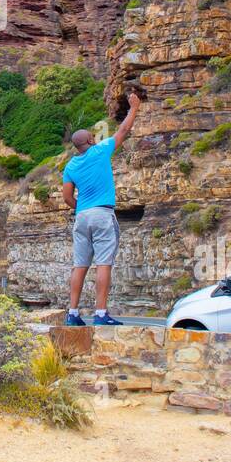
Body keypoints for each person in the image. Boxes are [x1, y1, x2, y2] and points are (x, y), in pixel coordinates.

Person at [61, 92, 140, 326]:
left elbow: (67, 197)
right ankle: (101, 314)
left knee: (80, 265)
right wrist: (133, 108)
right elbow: (123, 131)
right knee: (103, 263)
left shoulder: (71, 165)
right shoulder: (101, 150)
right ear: (91, 140)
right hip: (102, 214)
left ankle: (72, 314)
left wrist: (81, 208)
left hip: (82, 216)